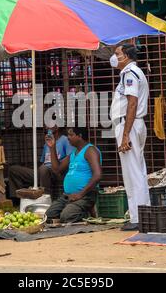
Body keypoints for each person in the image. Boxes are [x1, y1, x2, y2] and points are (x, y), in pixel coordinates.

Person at [109, 43, 150, 231]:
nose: (114, 57)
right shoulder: (133, 72)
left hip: (129, 125)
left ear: (125, 55)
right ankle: (142, 215)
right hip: (133, 125)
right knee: (137, 170)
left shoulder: (129, 73)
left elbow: (132, 103)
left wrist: (125, 134)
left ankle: (138, 217)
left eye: (117, 53)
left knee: (132, 173)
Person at [45, 127, 102, 223]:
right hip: (68, 196)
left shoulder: (90, 150)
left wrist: (81, 194)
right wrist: (52, 147)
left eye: (71, 135)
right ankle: (73, 211)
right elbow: (57, 169)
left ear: (80, 136)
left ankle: (87, 214)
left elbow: (98, 175)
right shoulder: (73, 153)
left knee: (67, 216)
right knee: (48, 216)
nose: (68, 137)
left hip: (85, 196)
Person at [8, 124, 73, 199]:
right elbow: (43, 161)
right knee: (13, 170)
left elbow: (70, 158)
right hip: (43, 172)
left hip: (58, 172)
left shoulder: (64, 140)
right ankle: (17, 200)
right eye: (46, 124)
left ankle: (46, 197)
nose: (46, 126)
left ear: (57, 126)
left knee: (44, 168)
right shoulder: (47, 142)